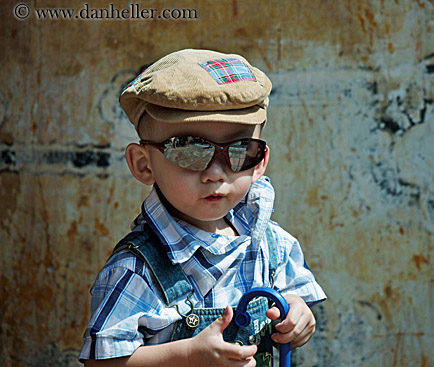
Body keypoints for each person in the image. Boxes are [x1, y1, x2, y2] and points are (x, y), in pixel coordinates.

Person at [80, 49, 326, 367]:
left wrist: (297, 314)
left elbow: (295, 299)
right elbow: (101, 363)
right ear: (143, 164)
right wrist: (188, 355)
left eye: (240, 150)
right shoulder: (136, 270)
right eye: (189, 149)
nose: (215, 172)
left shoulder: (270, 244)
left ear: (260, 162)